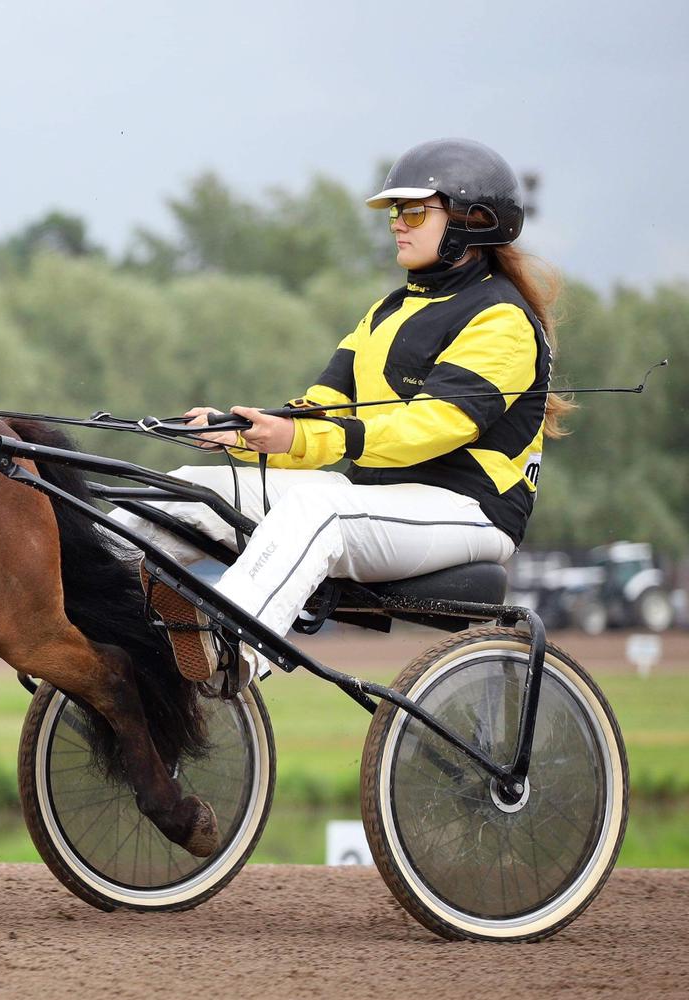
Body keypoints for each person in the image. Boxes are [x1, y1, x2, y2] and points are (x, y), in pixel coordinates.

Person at [113, 138, 572, 686]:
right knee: (188, 491)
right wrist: (241, 432)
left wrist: (300, 438)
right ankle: (81, 609)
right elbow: (326, 406)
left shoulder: (502, 320)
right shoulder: (388, 311)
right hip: (378, 500)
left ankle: (229, 650)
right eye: (396, 213)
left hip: (468, 511)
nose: (397, 224)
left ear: (472, 220)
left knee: (317, 508)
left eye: (414, 211)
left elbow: (430, 427)